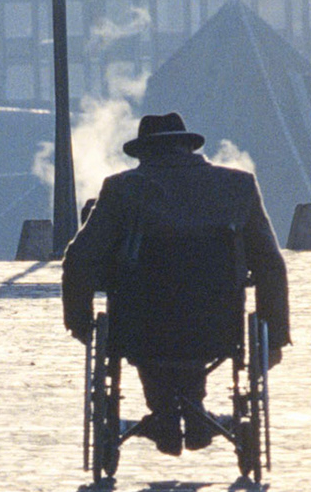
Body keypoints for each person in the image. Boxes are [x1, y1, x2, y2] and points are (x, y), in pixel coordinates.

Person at [61, 112, 290, 455]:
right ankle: (195, 416)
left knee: (150, 316)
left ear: (143, 154)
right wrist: (274, 338)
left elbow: (79, 260)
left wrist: (79, 324)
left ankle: (165, 416)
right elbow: (270, 264)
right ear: (187, 147)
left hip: (140, 329)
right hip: (216, 326)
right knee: (192, 313)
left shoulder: (122, 190)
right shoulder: (238, 186)